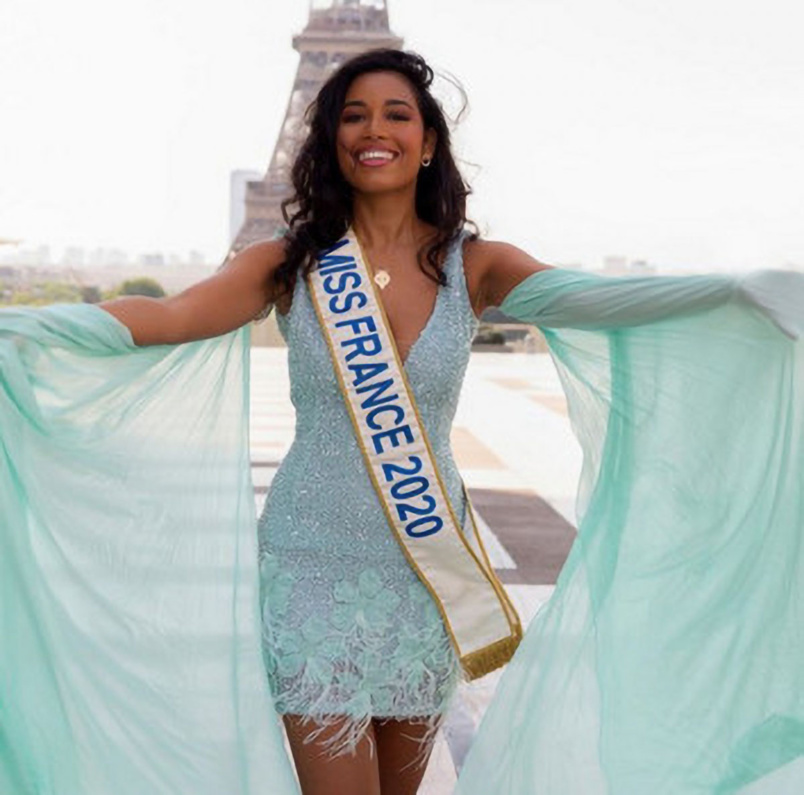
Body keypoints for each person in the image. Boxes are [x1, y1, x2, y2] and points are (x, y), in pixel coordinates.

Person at [2, 48, 802, 795]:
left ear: (426, 142)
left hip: (424, 571)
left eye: (395, 114)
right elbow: (171, 315)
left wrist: (734, 291)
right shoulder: (291, 262)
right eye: (354, 115)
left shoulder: (476, 264)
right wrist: (29, 329)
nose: (374, 129)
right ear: (331, 140)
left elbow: (602, 301)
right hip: (309, 564)